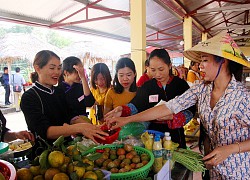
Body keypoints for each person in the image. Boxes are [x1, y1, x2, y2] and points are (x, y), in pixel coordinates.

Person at [106, 33, 250, 179]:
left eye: (205, 60)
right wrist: (127, 119)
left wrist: (231, 149)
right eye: (200, 61)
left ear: (223, 62)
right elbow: (167, 107)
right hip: (212, 168)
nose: (200, 65)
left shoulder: (243, 97)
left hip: (238, 169)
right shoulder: (201, 90)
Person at [106, 49, 195, 148]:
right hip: (152, 135)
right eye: (153, 70)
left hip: (175, 134)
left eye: (161, 69)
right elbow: (136, 104)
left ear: (169, 66)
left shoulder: (180, 84)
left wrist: (173, 118)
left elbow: (190, 111)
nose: (157, 74)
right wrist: (123, 109)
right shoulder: (148, 86)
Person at [20, 50, 108, 147]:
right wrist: (79, 128)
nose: (57, 72)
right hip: (44, 153)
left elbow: (70, 116)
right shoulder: (29, 97)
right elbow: (46, 131)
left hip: (67, 148)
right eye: (52, 68)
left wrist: (93, 128)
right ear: (38, 68)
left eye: (58, 68)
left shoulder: (59, 92)